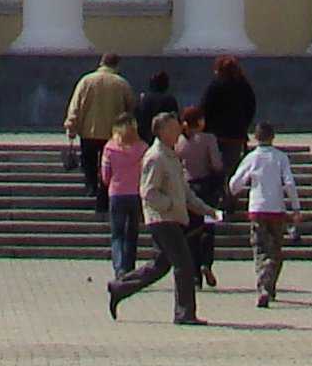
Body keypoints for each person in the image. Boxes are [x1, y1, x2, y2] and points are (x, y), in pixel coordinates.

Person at [107, 112, 218, 325]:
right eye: (175, 127)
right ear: (162, 130)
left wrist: (207, 210)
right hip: (162, 219)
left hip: (172, 217)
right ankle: (184, 313)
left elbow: (184, 192)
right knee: (184, 264)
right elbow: (148, 192)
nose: (180, 130)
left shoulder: (171, 155)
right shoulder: (156, 156)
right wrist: (170, 205)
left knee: (159, 265)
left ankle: (119, 287)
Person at [226, 120, 299, 309]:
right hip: (277, 209)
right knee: (276, 249)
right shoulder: (280, 157)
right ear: (273, 137)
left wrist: (234, 193)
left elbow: (235, 183)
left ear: (255, 137)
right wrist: (296, 207)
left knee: (259, 248)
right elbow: (289, 183)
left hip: (257, 209)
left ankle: (263, 286)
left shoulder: (252, 157)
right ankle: (270, 284)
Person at [64, 52, 134, 214]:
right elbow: (130, 108)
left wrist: (71, 126)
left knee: (88, 162)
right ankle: (103, 194)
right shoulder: (122, 84)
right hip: (113, 134)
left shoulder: (86, 81)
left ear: (101, 63)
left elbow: (76, 106)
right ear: (117, 65)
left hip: (89, 131)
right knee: (107, 166)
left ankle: (91, 187)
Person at [177, 111, 226, 287]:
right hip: (208, 189)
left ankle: (194, 274)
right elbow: (216, 164)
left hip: (187, 190)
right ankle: (207, 263)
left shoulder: (179, 141)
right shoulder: (208, 139)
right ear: (199, 122)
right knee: (209, 228)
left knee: (191, 231)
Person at [98, 114, 146, 280]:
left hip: (117, 194)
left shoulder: (110, 148)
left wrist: (110, 182)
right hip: (136, 194)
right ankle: (130, 267)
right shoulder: (143, 148)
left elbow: (105, 175)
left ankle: (119, 268)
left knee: (117, 234)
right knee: (132, 233)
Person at [198, 53, 257, 148]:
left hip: (216, 135)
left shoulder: (215, 86)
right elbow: (251, 108)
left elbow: (204, 108)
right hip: (237, 135)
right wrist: (243, 125)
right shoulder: (244, 86)